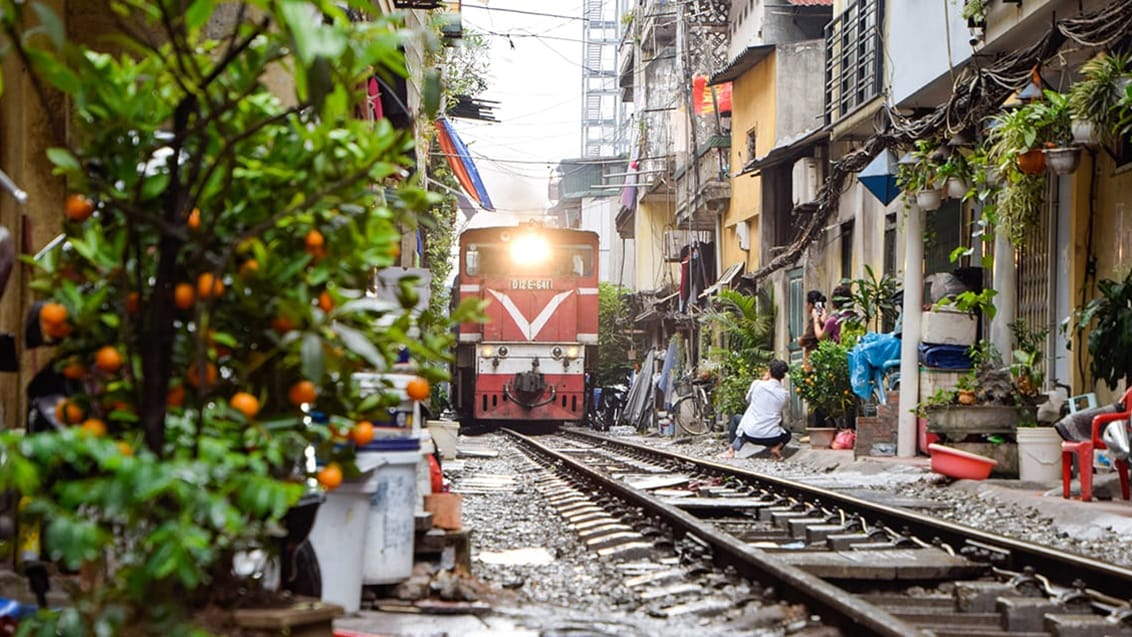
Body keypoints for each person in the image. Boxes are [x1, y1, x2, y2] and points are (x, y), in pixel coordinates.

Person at [726, 359, 791, 460]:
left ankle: (732, 449)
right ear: (782, 376)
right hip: (772, 438)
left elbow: (748, 400)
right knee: (787, 434)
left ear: (769, 372)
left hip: (750, 435)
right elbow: (781, 408)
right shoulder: (785, 394)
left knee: (739, 420)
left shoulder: (757, 384)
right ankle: (776, 448)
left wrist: (763, 381)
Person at [799, 290, 826, 370]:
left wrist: (800, 339)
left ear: (810, 305)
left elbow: (805, 339)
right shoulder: (823, 317)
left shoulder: (815, 322)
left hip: (813, 361)